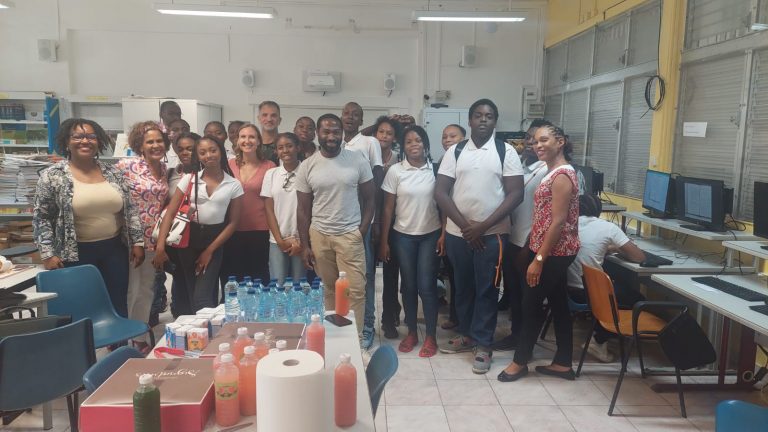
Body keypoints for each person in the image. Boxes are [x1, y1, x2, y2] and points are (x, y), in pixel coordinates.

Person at [434, 99, 524, 375]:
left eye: (489, 116)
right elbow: (440, 192)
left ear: (495, 121)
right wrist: (466, 227)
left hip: (493, 235)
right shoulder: (456, 151)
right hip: (457, 234)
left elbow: (516, 194)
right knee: (462, 287)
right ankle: (467, 335)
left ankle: (484, 344)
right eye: (478, 115)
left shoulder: (505, 151)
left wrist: (482, 227)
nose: (483, 119)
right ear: (470, 120)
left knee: (487, 289)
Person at [33, 118, 144, 318]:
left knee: (117, 304)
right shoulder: (52, 176)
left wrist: (137, 242)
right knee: (79, 306)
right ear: (67, 142)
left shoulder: (113, 172)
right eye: (78, 136)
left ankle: (116, 338)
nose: (85, 141)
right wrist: (48, 254)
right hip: (73, 253)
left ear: (99, 141)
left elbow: (130, 209)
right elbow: (42, 217)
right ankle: (83, 338)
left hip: (114, 249)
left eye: (91, 136)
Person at [498, 124, 580, 382]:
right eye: (535, 141)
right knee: (558, 304)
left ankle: (519, 362)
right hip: (549, 248)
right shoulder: (549, 171)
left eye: (544, 140)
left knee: (531, 305)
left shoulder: (562, 175)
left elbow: (558, 222)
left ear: (560, 142)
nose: (538, 145)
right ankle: (563, 363)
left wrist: (539, 259)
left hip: (554, 252)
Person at [296, 113, 375, 341]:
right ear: (318, 134)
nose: (331, 136)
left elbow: (371, 199)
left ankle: (355, 340)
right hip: (320, 235)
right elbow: (303, 209)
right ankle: (336, 337)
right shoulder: (307, 166)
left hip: (350, 235)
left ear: (342, 134)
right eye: (326, 131)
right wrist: (305, 245)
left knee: (355, 290)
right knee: (329, 288)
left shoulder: (357, 160)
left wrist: (361, 231)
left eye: (336, 132)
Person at [153, 136, 243, 313]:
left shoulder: (233, 184)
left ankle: (207, 328)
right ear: (198, 156)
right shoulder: (189, 179)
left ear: (221, 152)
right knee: (190, 292)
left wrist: (209, 251)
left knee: (202, 297)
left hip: (214, 241)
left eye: (213, 150)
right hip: (188, 240)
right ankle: (196, 328)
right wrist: (160, 247)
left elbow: (233, 223)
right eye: (202, 152)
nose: (208, 155)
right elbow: (170, 213)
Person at [380, 125, 442, 357]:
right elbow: (388, 209)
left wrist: (444, 234)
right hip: (402, 236)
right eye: (408, 141)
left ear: (425, 144)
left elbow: (444, 204)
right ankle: (412, 332)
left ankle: (431, 337)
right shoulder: (395, 171)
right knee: (408, 285)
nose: (414, 144)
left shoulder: (436, 170)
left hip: (430, 234)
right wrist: (384, 241)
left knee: (427, 286)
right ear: (403, 147)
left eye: (418, 140)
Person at [567, 193, 646, 362]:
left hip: (567, 291)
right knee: (637, 299)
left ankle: (604, 333)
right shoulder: (607, 228)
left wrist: (605, 249)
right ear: (598, 211)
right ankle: (599, 340)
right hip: (591, 294)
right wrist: (617, 248)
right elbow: (639, 257)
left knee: (616, 281)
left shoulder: (567, 225)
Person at [493, 119, 551, 351]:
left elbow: (547, 217)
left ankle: (525, 344)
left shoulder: (547, 171)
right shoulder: (520, 165)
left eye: (538, 140)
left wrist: (528, 247)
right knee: (515, 294)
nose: (530, 142)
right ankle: (516, 336)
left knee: (528, 297)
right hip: (512, 238)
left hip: (530, 244)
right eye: (528, 137)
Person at [118, 121, 170, 353]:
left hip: (154, 240)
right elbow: (119, 202)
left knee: (147, 288)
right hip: (131, 240)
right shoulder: (126, 166)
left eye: (159, 141)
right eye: (150, 142)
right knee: (132, 289)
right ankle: (128, 338)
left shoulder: (165, 169)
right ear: (140, 145)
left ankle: (138, 335)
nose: (156, 145)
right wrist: (135, 240)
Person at [341, 101, 384, 350]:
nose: (350, 117)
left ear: (361, 120)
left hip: (362, 221)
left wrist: (373, 220)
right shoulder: (335, 144)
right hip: (338, 221)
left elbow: (376, 181)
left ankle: (367, 326)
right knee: (341, 277)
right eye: (346, 113)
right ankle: (344, 324)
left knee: (364, 275)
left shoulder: (369, 142)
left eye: (355, 114)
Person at [225, 123, 276, 283]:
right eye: (243, 137)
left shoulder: (269, 166)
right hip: (233, 229)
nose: (247, 141)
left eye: (252, 137)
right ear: (237, 141)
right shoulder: (229, 165)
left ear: (259, 141)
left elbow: (273, 202)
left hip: (260, 230)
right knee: (236, 276)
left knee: (259, 276)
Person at [372, 116, 403, 339]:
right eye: (380, 131)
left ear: (395, 138)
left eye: (389, 133)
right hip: (368, 220)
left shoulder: (400, 160)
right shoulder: (365, 155)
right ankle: (367, 319)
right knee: (367, 275)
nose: (384, 136)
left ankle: (389, 318)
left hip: (392, 223)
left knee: (391, 274)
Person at [262, 132, 307, 284]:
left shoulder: (307, 172)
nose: (285, 150)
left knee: (299, 286)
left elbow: (311, 208)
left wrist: (301, 240)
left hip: (301, 240)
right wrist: (280, 240)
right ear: (276, 151)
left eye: (289, 146)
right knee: (277, 285)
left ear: (298, 148)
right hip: (277, 240)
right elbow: (269, 209)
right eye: (280, 147)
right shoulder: (271, 174)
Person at [165, 132, 199, 318]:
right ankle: (181, 318)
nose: (185, 152)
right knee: (179, 279)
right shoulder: (171, 173)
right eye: (181, 149)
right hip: (175, 235)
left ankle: (197, 319)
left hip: (198, 236)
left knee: (196, 283)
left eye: (190, 148)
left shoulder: (207, 173)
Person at [435, 123, 466, 331]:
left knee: (463, 279)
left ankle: (464, 321)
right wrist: (443, 231)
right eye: (444, 136)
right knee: (453, 276)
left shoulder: (468, 161)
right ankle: (456, 317)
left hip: (468, 227)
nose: (447, 140)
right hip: (447, 226)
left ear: (464, 138)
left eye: (452, 136)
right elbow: (443, 200)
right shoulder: (442, 162)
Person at [257, 101, 281, 165]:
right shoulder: (253, 145)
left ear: (279, 120)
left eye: (273, 115)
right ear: (259, 119)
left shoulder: (287, 144)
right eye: (265, 115)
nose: (269, 119)